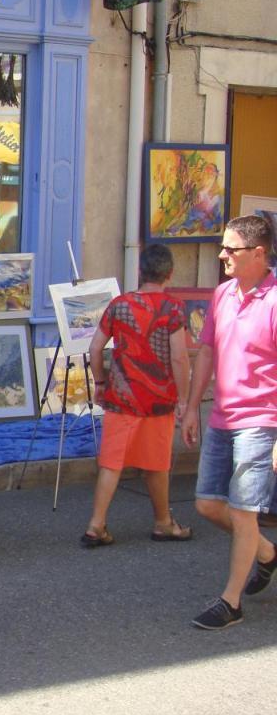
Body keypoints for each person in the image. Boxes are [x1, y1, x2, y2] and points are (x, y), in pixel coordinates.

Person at [181, 215, 277, 630]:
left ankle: (231, 601)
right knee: (207, 505)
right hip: (222, 416)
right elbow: (206, 352)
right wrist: (190, 408)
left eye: (230, 249)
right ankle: (268, 554)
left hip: (262, 420)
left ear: (258, 253)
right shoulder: (221, 294)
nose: (222, 255)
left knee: (243, 512)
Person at [82, 244, 192, 547]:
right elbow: (179, 357)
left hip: (122, 395)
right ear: (169, 273)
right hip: (158, 398)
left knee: (112, 462)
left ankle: (96, 524)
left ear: (140, 271)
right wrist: (184, 400)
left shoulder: (119, 305)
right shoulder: (172, 308)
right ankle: (163, 522)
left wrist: (101, 382)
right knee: (157, 463)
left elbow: (94, 348)